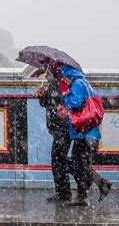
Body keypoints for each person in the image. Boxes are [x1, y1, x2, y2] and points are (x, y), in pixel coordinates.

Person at [59, 65, 112, 206]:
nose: (64, 80)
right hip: (86, 133)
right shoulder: (83, 83)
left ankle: (101, 184)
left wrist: (64, 97)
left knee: (79, 163)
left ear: (69, 75)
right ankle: (83, 195)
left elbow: (75, 103)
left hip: (84, 133)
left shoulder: (77, 84)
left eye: (64, 78)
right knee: (80, 164)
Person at [37, 60, 72, 203]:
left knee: (58, 160)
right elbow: (48, 104)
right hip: (57, 129)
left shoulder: (62, 84)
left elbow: (64, 104)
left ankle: (64, 193)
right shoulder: (53, 85)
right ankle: (63, 192)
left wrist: (57, 103)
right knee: (58, 160)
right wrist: (42, 96)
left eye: (47, 68)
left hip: (62, 129)